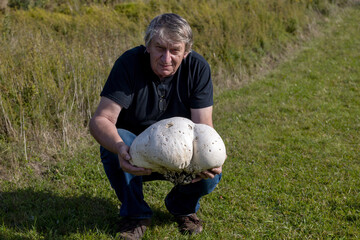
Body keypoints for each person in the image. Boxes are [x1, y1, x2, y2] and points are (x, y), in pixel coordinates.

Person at [89, 13, 223, 239]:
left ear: (186, 52)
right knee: (116, 141)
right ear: (147, 46)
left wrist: (209, 161)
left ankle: (182, 206)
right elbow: (100, 120)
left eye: (175, 50)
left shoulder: (198, 68)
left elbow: (203, 129)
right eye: (159, 47)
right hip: (136, 153)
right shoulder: (128, 64)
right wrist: (120, 147)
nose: (166, 58)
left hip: (182, 156)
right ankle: (136, 215)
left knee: (212, 163)